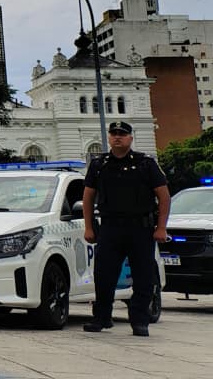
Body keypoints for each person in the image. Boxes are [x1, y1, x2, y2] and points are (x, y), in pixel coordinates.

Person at [82, 120, 170, 337]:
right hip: (110, 228)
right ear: (109, 137)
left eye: (122, 133)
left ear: (131, 138)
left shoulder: (145, 163)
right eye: (114, 133)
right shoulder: (99, 164)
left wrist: (161, 228)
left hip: (140, 229)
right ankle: (102, 318)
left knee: (143, 276)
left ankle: (139, 321)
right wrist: (88, 227)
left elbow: (163, 195)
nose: (117, 137)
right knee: (103, 275)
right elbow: (88, 197)